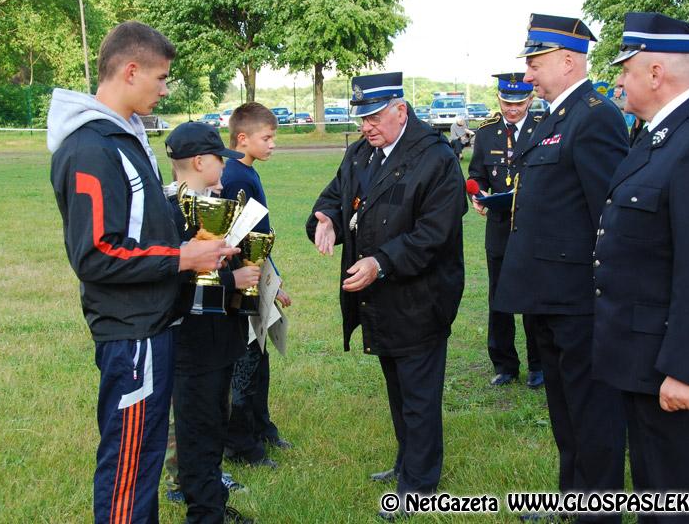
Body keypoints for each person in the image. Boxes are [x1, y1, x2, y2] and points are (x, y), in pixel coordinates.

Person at [48, 21, 237, 523]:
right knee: (128, 470)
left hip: (153, 325)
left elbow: (137, 230)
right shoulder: (91, 148)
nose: (165, 88)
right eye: (161, 77)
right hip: (132, 334)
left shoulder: (124, 137)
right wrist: (182, 258)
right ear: (131, 70)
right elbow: (95, 254)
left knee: (145, 462)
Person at [594, 13, 689, 522]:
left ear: (655, 73)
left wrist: (685, 369)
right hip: (644, 359)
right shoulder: (661, 134)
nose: (619, 82)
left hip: (677, 371)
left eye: (626, 70)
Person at [306, 72, 467, 520]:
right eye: (360, 118)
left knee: (418, 390)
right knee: (397, 385)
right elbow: (336, 197)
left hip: (420, 294)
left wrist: (382, 262)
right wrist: (327, 220)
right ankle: (406, 463)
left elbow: (434, 234)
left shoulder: (435, 158)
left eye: (374, 116)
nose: (366, 126)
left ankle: (419, 484)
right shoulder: (361, 152)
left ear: (402, 110)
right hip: (376, 298)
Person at [494, 14, 629, 520]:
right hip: (545, 293)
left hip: (578, 298)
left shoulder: (595, 116)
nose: (527, 76)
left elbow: (609, 215)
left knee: (592, 415)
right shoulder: (555, 117)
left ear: (568, 60)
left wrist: (604, 295)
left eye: (535, 63)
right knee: (565, 412)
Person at [163, 122, 256, 524]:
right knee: (198, 429)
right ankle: (204, 512)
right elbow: (173, 285)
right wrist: (231, 280)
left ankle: (211, 499)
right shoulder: (170, 212)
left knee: (214, 423)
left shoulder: (211, 203)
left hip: (219, 340)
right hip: (193, 345)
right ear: (200, 162)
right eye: (220, 159)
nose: (225, 167)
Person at [222, 102, 293, 468]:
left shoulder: (248, 171)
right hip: (241, 282)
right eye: (267, 137)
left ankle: (261, 427)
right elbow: (236, 237)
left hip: (258, 277)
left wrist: (273, 281)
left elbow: (259, 236)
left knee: (259, 358)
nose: (273, 144)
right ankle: (239, 444)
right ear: (243, 138)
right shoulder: (234, 176)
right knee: (245, 364)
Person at [468, 72, 543, 389]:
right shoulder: (486, 133)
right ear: (499, 100)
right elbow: (476, 175)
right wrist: (478, 197)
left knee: (535, 298)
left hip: (535, 227)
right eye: (507, 103)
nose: (513, 109)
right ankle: (504, 364)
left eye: (519, 103)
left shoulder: (545, 128)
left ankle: (539, 365)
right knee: (499, 298)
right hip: (499, 228)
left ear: (530, 100)